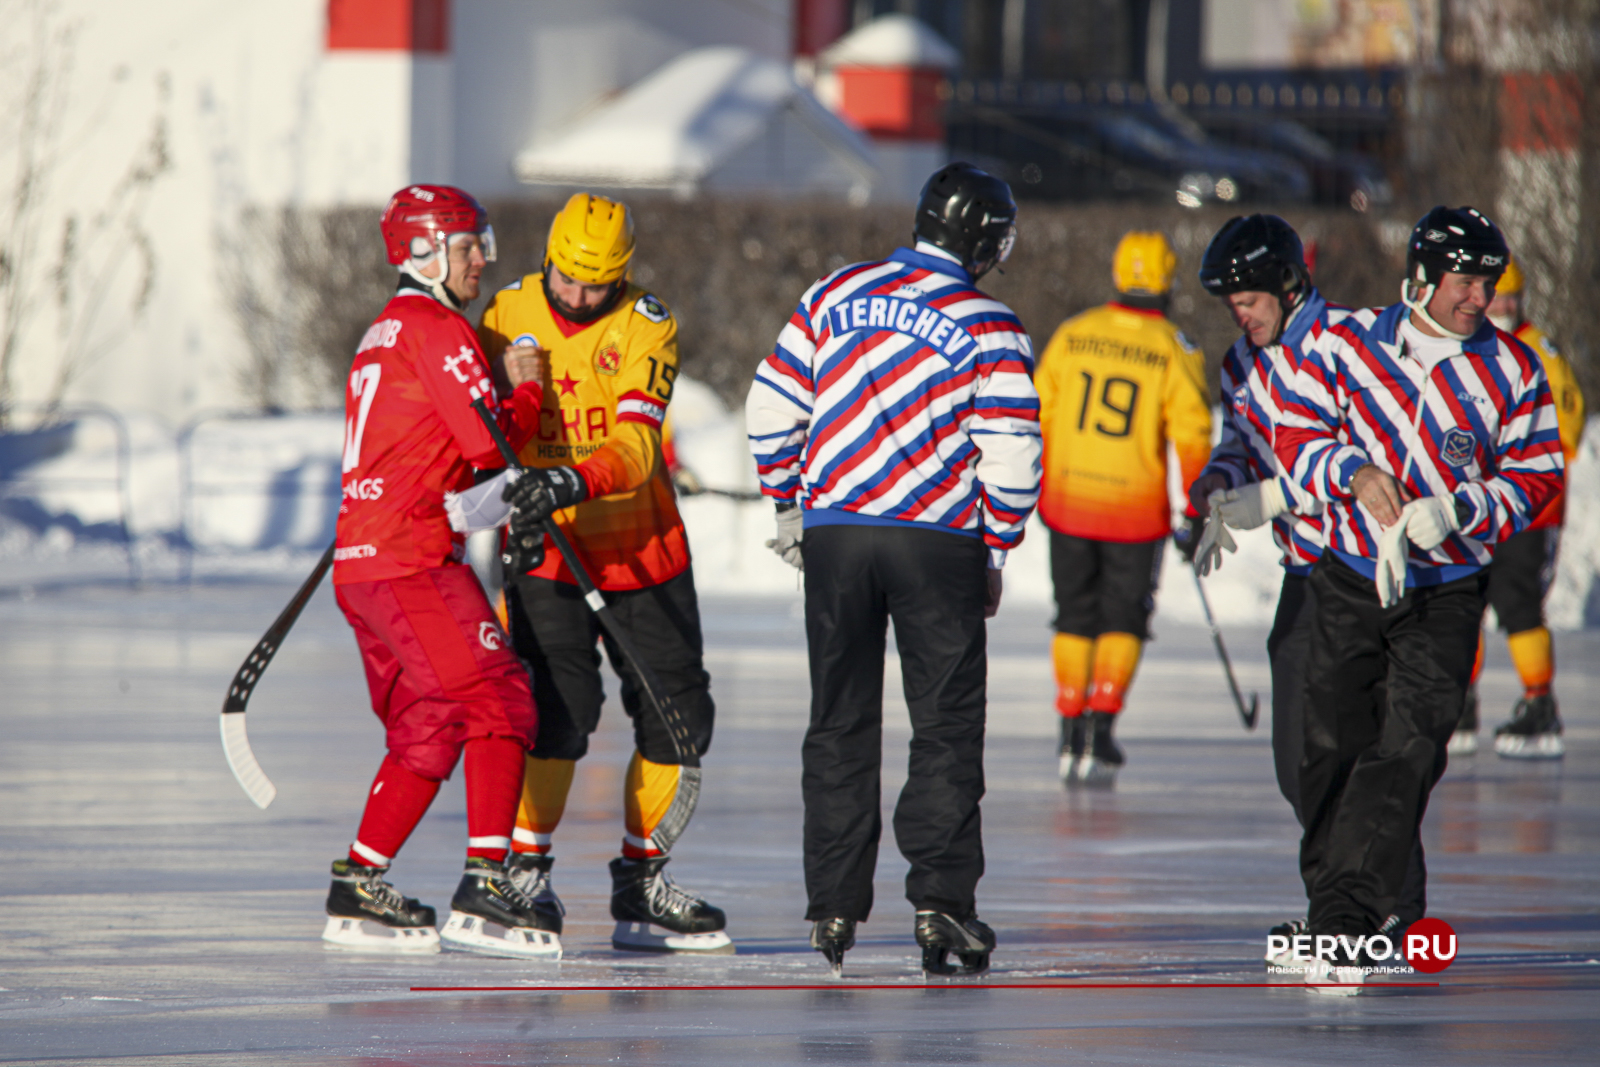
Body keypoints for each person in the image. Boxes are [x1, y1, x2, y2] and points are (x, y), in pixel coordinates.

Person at [746, 162, 1041, 977]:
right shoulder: (990, 323)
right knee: (944, 726)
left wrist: (788, 500)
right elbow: (1012, 452)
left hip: (838, 535)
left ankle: (833, 905)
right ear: (983, 242)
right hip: (936, 541)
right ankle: (942, 904)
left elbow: (770, 407)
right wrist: (998, 545)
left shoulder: (833, 292)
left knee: (838, 719)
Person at [1273, 206, 1563, 993]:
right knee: (1327, 749)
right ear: (1423, 277)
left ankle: (1349, 919)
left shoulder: (1513, 369)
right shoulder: (1347, 342)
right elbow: (1295, 434)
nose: (1480, 298)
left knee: (1408, 748)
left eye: (1489, 283)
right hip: (1348, 577)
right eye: (1466, 281)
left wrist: (1460, 508)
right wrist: (1354, 472)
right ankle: (1345, 907)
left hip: (1446, 591)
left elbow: (1538, 474)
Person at [478, 192, 729, 955]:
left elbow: (637, 444)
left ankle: (641, 881)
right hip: (545, 553)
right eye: (567, 279)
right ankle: (524, 870)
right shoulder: (505, 313)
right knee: (560, 711)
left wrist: (570, 480)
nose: (579, 297)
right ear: (547, 257)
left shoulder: (646, 324)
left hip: (640, 548)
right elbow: (476, 427)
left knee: (679, 715)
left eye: (597, 285)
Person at [325, 184, 556, 959]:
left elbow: (434, 456)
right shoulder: (436, 326)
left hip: (365, 562)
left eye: (480, 243)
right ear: (422, 253)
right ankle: (486, 879)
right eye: (466, 247)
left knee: (428, 725)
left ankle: (360, 881)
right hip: (411, 557)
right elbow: (492, 443)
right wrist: (527, 389)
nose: (480, 259)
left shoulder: (382, 332)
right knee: (501, 695)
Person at [1033, 231, 1210, 786]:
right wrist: (1197, 508)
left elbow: (1037, 411)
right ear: (1168, 280)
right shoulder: (1173, 346)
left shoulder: (1074, 333)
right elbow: (1193, 434)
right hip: (1134, 514)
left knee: (1073, 615)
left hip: (1068, 504)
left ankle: (1069, 728)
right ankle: (1101, 728)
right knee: (1123, 618)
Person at [1447, 255, 1587, 757]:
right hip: (1477, 503)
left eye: (1510, 298)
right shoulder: (1468, 348)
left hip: (1530, 505)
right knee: (1462, 597)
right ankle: (1459, 700)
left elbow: (1567, 425)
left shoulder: (1537, 350)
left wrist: (1524, 470)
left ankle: (1539, 701)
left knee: (1517, 599)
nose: (1503, 307)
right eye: (1495, 298)